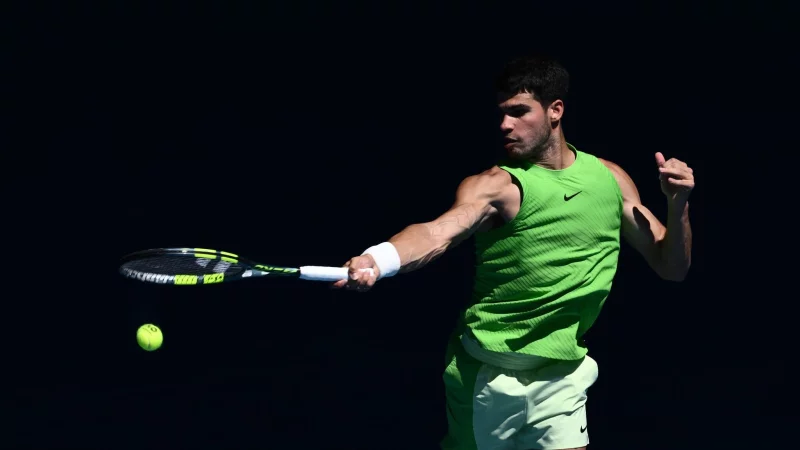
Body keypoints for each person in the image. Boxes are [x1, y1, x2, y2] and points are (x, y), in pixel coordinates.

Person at [332, 55, 694, 450]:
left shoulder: (609, 179)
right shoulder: (497, 186)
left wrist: (678, 207)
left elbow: (671, 266)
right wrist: (379, 259)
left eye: (519, 112)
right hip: (488, 376)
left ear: (555, 110)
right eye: (501, 114)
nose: (505, 125)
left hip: (562, 373)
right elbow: (437, 233)